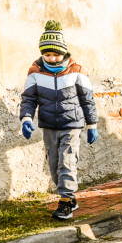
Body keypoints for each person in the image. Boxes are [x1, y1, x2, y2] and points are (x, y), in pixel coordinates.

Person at [19, 24, 99, 220]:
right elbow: (28, 99)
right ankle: (68, 197)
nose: (52, 59)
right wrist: (26, 118)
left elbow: (87, 100)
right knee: (54, 164)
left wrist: (92, 125)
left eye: (56, 55)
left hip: (72, 125)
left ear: (64, 53)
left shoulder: (77, 71)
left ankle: (65, 200)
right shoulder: (35, 73)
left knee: (67, 161)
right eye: (47, 55)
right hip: (49, 126)